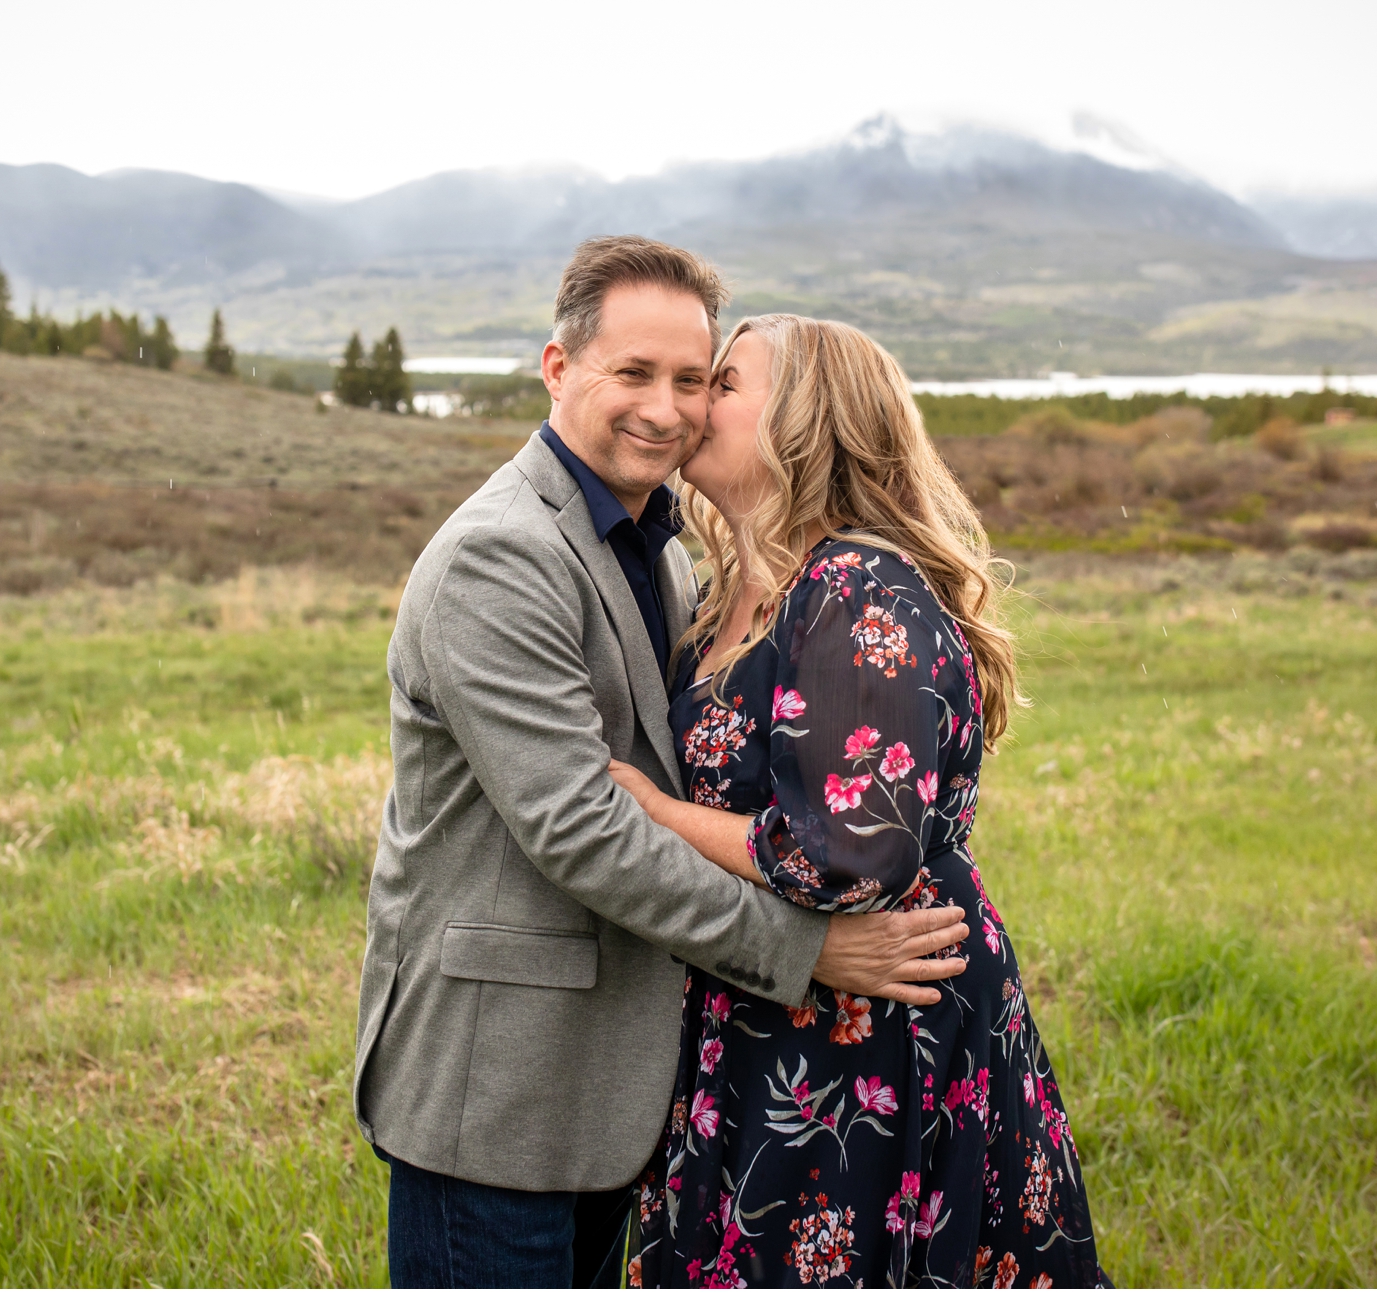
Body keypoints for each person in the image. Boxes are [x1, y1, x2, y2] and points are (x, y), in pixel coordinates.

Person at [355, 239, 973, 1288]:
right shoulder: (500, 555)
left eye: (696, 380)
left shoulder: (665, 545)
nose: (667, 407)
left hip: (617, 1081)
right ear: (559, 369)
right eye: (632, 373)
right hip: (500, 1082)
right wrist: (807, 948)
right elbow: (581, 829)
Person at [609, 314, 1110, 1288]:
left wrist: (653, 811)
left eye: (723, 382)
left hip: (870, 1026)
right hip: (771, 1000)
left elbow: (846, 849)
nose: (689, 403)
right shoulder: (730, 594)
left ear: (804, 417)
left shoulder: (857, 585)